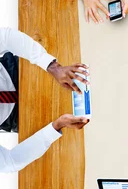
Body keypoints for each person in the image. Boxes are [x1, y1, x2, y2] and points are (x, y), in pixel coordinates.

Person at [0, 27, 89, 172]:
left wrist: (52, 66)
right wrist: (55, 127)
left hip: (19, 70)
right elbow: (10, 163)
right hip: (21, 116)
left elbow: (4, 37)